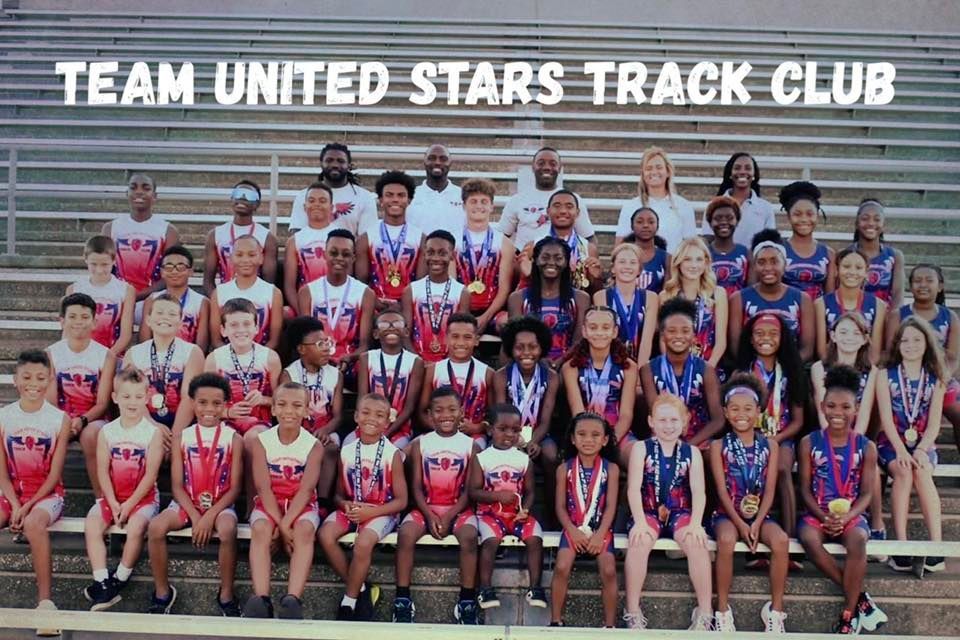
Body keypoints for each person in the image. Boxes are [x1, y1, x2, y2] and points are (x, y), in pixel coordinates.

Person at [798, 366, 886, 634]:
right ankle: (860, 598)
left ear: (856, 409)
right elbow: (803, 488)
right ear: (822, 407)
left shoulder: (866, 446)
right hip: (818, 512)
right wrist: (824, 517)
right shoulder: (808, 443)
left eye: (845, 407)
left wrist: (847, 517)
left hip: (852, 514)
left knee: (859, 539)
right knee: (809, 538)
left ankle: (848, 613)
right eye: (832, 406)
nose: (838, 413)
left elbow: (868, 493)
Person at [146, 373, 243, 616]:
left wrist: (209, 516)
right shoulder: (182, 437)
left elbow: (235, 488)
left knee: (228, 529)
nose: (209, 409)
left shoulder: (234, 439)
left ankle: (227, 594)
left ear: (225, 405)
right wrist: (195, 515)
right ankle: (162, 593)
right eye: (202, 402)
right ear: (191, 403)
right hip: (185, 502)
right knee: (156, 528)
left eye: (217, 403)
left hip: (220, 504)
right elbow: (177, 486)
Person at [623, 393, 713, 631]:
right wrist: (640, 522)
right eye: (662, 420)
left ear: (684, 422)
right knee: (640, 541)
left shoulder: (692, 453)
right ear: (651, 421)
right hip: (648, 510)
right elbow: (632, 488)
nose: (668, 426)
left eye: (674, 420)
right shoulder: (640, 449)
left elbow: (699, 492)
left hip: (679, 511)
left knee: (696, 543)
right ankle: (632, 611)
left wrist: (696, 523)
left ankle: (705, 613)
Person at [392, 387, 481, 624]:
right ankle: (402, 599)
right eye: (439, 410)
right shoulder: (421, 443)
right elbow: (417, 488)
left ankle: (467, 601)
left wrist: (451, 514)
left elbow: (469, 491)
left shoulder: (471, 446)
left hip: (459, 508)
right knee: (405, 534)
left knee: (470, 537)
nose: (445, 415)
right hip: (427, 506)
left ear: (462, 412)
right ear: (430, 415)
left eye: (452, 409)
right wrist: (430, 515)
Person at [710, 374, 789, 633]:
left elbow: (769, 490)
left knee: (780, 540)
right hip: (727, 513)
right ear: (725, 411)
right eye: (734, 408)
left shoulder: (771, 445)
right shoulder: (718, 445)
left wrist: (755, 522)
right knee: (726, 541)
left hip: (759, 515)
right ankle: (721, 611)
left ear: (758, 411)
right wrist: (740, 524)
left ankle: (776, 612)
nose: (741, 414)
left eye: (747, 409)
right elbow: (721, 491)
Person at [318, 393, 407, 622]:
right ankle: (362, 587)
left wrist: (372, 512)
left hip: (382, 511)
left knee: (364, 542)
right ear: (356, 416)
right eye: (366, 412)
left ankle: (349, 600)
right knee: (325, 535)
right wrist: (343, 503)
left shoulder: (392, 454)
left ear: (387, 422)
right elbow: (337, 493)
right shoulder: (347, 450)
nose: (372, 419)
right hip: (353, 508)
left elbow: (401, 501)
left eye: (380, 415)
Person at [0, 350, 70, 634]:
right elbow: (2, 473)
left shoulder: (59, 419)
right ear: (15, 380)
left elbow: (54, 475)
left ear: (50, 380)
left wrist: (26, 508)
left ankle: (45, 603)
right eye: (27, 377)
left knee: (32, 524)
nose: (34, 383)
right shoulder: (4, 416)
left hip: (47, 495)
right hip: (11, 493)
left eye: (41, 378)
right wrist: (15, 503)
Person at [82, 367, 163, 611]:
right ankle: (102, 581)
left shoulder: (153, 432)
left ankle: (119, 578)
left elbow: (150, 475)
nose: (133, 402)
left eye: (139, 396)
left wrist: (128, 505)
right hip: (113, 496)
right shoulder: (107, 431)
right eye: (126, 396)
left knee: (137, 526)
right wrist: (113, 501)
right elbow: (102, 471)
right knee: (92, 524)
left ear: (147, 397)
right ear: (115, 397)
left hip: (143, 498)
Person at [243, 382, 323, 620]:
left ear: (307, 410)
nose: (289, 410)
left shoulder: (313, 445)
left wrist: (286, 525)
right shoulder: (261, 441)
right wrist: (280, 523)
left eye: (297, 405)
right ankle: (262, 598)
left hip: (300, 504)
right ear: (274, 409)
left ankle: (292, 599)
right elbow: (263, 487)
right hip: (269, 503)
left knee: (305, 529)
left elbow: (307, 489)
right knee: (259, 529)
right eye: (282, 404)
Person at [876, 317, 947, 573]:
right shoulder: (885, 375)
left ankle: (937, 547)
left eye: (917, 339)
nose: (911, 345)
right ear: (897, 344)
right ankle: (902, 544)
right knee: (904, 471)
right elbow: (886, 420)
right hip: (891, 443)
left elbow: (935, 425)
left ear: (927, 343)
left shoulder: (936, 378)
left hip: (924, 444)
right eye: (905, 340)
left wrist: (919, 450)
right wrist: (901, 450)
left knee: (923, 470)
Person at [811, 312, 886, 552]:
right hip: (825, 432)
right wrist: (833, 439)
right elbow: (822, 407)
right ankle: (824, 516)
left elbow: (863, 412)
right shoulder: (819, 368)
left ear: (865, 339)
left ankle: (876, 522)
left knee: (868, 462)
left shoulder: (871, 371)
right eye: (843, 332)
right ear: (832, 335)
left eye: (856, 333)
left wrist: (855, 442)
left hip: (857, 435)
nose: (849, 338)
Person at [734, 313, 806, 546]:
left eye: (773, 334)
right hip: (746, 437)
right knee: (746, 472)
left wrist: (777, 438)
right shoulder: (742, 371)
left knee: (783, 469)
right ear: (751, 339)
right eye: (760, 333)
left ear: (783, 338)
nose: (766, 338)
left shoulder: (792, 371)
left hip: (781, 437)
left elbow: (798, 421)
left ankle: (790, 536)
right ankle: (750, 535)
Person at [205, 298, 281, 509]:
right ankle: (215, 502)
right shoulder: (214, 359)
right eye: (234, 325)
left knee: (252, 439)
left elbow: (281, 402)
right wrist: (228, 412)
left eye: (247, 324)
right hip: (225, 421)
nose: (241, 330)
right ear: (223, 329)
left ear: (257, 327)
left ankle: (252, 503)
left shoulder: (270, 358)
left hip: (258, 422)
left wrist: (264, 399)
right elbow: (203, 405)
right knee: (221, 439)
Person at [470, 404, 546, 611]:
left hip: (517, 514)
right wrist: (497, 496)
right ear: (489, 429)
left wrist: (526, 510)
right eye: (503, 429)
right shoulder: (482, 458)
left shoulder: (523, 459)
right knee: (491, 540)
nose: (509, 434)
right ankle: (485, 588)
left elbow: (530, 491)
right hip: (490, 514)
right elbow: (474, 491)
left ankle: (536, 587)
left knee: (535, 537)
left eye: (515, 430)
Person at [550, 412, 620, 629]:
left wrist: (599, 535)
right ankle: (555, 621)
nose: (588, 440)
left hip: (601, 530)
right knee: (561, 566)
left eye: (595, 435)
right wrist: (573, 531)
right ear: (572, 438)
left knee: (608, 569)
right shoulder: (564, 469)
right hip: (572, 529)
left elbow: (610, 507)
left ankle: (609, 626)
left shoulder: (612, 469)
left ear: (605, 440)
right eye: (581, 434)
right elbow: (560, 507)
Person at [47, 293, 115, 497]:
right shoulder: (51, 353)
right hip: (60, 417)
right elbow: (50, 400)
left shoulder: (105, 355)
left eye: (85, 317)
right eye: (73, 316)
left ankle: (100, 498)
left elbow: (103, 403)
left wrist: (82, 420)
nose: (78, 322)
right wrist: (65, 423)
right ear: (62, 321)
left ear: (94, 322)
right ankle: (46, 496)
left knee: (91, 435)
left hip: (93, 418)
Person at [493, 316, 561, 522]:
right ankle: (502, 515)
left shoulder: (550, 376)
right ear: (510, 349)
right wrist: (513, 441)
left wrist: (534, 441)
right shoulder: (501, 376)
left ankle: (552, 516)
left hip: (539, 433)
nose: (526, 353)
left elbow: (546, 419)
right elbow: (500, 415)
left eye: (533, 347)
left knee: (551, 457)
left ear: (542, 347)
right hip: (507, 432)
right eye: (519, 347)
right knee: (504, 458)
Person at [640, 298, 723, 451]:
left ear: (694, 336)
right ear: (663, 335)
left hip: (698, 440)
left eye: (685, 331)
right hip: (663, 436)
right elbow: (656, 414)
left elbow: (718, 419)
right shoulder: (648, 370)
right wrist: (670, 442)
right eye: (672, 331)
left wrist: (689, 446)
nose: (678, 336)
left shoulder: (706, 370)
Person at [279, 317, 342, 505]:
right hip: (297, 427)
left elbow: (338, 415)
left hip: (325, 428)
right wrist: (304, 433)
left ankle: (322, 501)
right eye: (319, 344)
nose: (325, 348)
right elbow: (286, 410)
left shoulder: (334, 374)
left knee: (331, 447)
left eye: (327, 343)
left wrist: (325, 431)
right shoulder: (290, 374)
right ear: (302, 349)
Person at [563, 306, 639, 457]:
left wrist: (610, 441)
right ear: (584, 331)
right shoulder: (571, 368)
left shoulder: (629, 367)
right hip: (584, 435)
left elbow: (626, 415)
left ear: (614, 332)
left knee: (637, 455)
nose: (599, 333)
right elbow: (577, 413)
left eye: (605, 328)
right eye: (593, 327)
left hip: (617, 433)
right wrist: (592, 440)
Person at [123, 293, 204, 433]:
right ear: (148, 320)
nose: (165, 317)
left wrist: (175, 435)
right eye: (159, 312)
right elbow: (130, 396)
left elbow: (189, 397)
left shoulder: (192, 352)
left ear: (180, 322)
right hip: (143, 422)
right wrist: (153, 427)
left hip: (182, 425)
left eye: (172, 314)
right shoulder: (133, 354)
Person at [729, 230, 814, 362]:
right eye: (761, 262)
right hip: (750, 371)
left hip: (790, 370)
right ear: (754, 266)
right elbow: (735, 348)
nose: (768, 268)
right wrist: (758, 369)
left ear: (785, 265)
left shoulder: (803, 299)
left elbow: (807, 349)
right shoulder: (738, 298)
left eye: (774, 261)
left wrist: (782, 369)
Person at [507, 236, 590, 367]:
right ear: (535, 260)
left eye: (558, 258)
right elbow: (515, 340)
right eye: (545, 257)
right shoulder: (517, 298)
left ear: (567, 262)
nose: (551, 262)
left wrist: (558, 363)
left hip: (567, 365)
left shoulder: (580, 298)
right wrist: (538, 361)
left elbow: (578, 341)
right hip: (528, 362)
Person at [298, 229, 374, 369]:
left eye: (345, 254)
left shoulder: (366, 293)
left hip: (350, 361)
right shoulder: (307, 292)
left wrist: (349, 358)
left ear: (353, 258)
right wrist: (323, 357)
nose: (339, 258)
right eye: (333, 253)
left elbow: (364, 345)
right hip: (316, 358)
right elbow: (306, 339)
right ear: (324, 254)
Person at [102, 173, 180, 309]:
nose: (139, 191)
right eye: (133, 187)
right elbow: (102, 267)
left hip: (152, 298)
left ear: (155, 196)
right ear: (127, 193)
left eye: (146, 188)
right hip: (117, 295)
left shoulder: (167, 230)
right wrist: (121, 295)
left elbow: (169, 274)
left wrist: (136, 296)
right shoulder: (111, 228)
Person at [495, 146, 595, 250]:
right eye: (541, 163)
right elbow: (501, 237)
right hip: (526, 262)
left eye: (553, 164)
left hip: (562, 262)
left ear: (559, 168)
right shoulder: (517, 200)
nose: (547, 167)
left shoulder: (573, 200)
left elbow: (589, 238)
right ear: (533, 167)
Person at [420, 314, 494, 446]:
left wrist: (477, 427)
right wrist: (439, 427)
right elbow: (421, 411)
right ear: (446, 338)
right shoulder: (433, 370)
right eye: (455, 337)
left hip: (474, 435)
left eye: (467, 337)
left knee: (476, 452)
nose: (460, 343)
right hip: (438, 431)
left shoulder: (487, 373)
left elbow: (493, 414)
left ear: (476, 340)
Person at [358, 309, 424, 450]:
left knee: (395, 451)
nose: (391, 328)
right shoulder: (366, 358)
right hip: (369, 424)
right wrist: (369, 428)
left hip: (399, 428)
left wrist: (386, 433)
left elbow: (409, 407)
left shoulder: (415, 361)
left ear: (406, 332)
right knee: (348, 446)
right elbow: (362, 399)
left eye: (397, 324)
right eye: (384, 325)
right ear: (375, 334)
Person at [357, 172, 425, 308]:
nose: (395, 200)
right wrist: (374, 303)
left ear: (409, 200)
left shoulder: (421, 238)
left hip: (408, 307)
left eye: (401, 195)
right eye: (389, 195)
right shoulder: (366, 238)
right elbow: (361, 281)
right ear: (380, 200)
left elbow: (421, 282)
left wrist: (404, 305)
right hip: (375, 307)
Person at [455, 178, 514, 332]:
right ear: (464, 205)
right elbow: (452, 285)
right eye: (473, 201)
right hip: (460, 309)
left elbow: (504, 289)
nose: (479, 206)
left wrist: (486, 316)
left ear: (492, 206)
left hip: (492, 311)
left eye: (484, 201)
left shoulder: (504, 243)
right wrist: (465, 317)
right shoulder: (453, 240)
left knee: (507, 323)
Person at [402, 230, 470, 363]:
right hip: (416, 360)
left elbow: (461, 333)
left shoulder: (462, 292)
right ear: (424, 254)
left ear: (452, 255)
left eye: (442, 253)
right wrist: (419, 361)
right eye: (430, 252)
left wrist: (444, 365)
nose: (436, 258)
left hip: (449, 362)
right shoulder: (411, 290)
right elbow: (405, 334)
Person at [660, 237, 728, 368]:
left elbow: (721, 342)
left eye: (699, 259)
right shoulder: (666, 296)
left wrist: (707, 370)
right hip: (675, 368)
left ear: (706, 262)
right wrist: (674, 369)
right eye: (687, 259)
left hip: (710, 366)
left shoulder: (718, 294)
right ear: (678, 262)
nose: (693, 265)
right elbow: (663, 341)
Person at [615, 147, 696, 254]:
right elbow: (620, 247)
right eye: (648, 168)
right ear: (643, 174)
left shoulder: (684, 206)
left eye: (659, 167)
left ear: (668, 172)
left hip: (674, 268)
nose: (654, 172)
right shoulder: (630, 206)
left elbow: (690, 246)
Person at [203, 179, 278, 296]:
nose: (242, 198)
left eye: (249, 196)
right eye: (238, 194)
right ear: (232, 199)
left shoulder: (267, 238)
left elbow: (268, 282)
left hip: (255, 300)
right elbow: (207, 281)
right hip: (224, 299)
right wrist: (218, 302)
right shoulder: (215, 235)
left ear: (257, 204)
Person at [210, 235, 284, 350]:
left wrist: (256, 358)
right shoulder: (219, 293)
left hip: (261, 359)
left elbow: (274, 340)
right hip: (227, 360)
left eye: (252, 255)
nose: (245, 260)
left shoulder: (273, 293)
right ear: (231, 258)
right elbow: (216, 340)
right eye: (239, 255)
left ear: (261, 258)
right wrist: (233, 358)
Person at [520, 190, 602, 293]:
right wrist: (528, 275)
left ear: (577, 213)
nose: (563, 211)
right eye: (557, 206)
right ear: (548, 211)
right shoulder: (533, 246)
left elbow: (595, 291)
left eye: (569, 206)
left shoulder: (588, 248)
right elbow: (523, 290)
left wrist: (596, 278)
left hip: (577, 305)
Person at [67, 235, 135, 357]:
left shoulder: (125, 290)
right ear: (85, 259)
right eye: (94, 264)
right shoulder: (74, 289)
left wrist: (108, 356)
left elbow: (126, 335)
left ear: (114, 261)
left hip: (113, 353)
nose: (99, 270)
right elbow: (68, 330)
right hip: (80, 353)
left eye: (104, 264)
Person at [289, 143, 378, 236]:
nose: (335, 165)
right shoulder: (304, 196)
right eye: (329, 160)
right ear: (321, 164)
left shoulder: (365, 197)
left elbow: (367, 239)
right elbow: (297, 236)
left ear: (349, 165)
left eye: (341, 161)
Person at [816, 248, 886, 364]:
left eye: (859, 268)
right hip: (831, 368)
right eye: (846, 266)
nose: (852, 272)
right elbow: (822, 351)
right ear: (836, 270)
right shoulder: (821, 303)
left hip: (864, 370)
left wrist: (862, 373)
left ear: (866, 273)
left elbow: (875, 353)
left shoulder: (878, 305)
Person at [282, 182, 341, 314]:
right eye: (312, 200)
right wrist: (303, 312)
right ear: (304, 206)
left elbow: (348, 278)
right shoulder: (294, 241)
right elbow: (289, 286)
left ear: (331, 207)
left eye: (322, 200)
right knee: (284, 312)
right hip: (304, 304)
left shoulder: (341, 237)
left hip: (336, 303)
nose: (317, 204)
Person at [596, 243, 658, 365]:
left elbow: (646, 340)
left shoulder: (651, 298)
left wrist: (639, 373)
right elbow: (603, 338)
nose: (627, 267)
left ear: (640, 269)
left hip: (640, 363)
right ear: (613, 268)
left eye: (633, 263)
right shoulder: (601, 296)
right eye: (622, 262)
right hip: (610, 363)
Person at [140, 246, 210, 353]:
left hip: (189, 359)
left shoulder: (201, 302)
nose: (174, 271)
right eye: (169, 267)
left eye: (181, 267)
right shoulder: (152, 299)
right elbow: (145, 340)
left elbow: (201, 345)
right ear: (162, 272)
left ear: (191, 271)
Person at [702, 152, 776, 247]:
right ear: (730, 173)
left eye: (748, 168)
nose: (742, 172)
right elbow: (708, 239)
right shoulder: (713, 205)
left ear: (754, 174)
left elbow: (770, 243)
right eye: (737, 168)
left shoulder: (765, 208)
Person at [778, 181, 835, 300]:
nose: (804, 219)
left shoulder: (828, 253)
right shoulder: (779, 249)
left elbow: (829, 297)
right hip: (786, 315)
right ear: (788, 216)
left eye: (810, 214)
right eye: (797, 214)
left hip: (816, 314)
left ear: (817, 216)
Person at [850, 198, 905, 307]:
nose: (871, 223)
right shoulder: (845, 255)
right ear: (856, 223)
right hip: (853, 317)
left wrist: (893, 320)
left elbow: (898, 295)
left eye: (877, 219)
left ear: (883, 225)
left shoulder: (895, 256)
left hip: (885, 317)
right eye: (865, 218)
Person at [406, 144, 465, 237]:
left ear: (451, 162)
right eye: (432, 158)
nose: (437, 162)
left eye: (443, 159)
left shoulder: (463, 195)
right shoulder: (411, 195)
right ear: (424, 161)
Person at [704, 196, 751, 296]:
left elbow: (750, 291)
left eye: (729, 218)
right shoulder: (703, 253)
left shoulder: (746, 254)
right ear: (710, 222)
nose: (724, 222)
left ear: (737, 221)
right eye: (718, 218)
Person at [622, 207, 672, 294]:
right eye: (640, 222)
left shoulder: (667, 258)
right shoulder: (621, 255)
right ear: (632, 226)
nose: (645, 225)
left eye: (651, 222)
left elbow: (667, 292)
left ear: (657, 226)